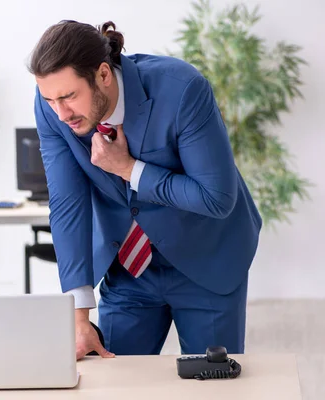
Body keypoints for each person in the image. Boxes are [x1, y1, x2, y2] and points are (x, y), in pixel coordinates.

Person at [28, 20, 262, 359]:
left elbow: (216, 197)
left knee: (213, 387)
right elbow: (68, 203)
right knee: (115, 382)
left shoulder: (182, 89)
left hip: (206, 259)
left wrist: (128, 169)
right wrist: (78, 313)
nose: (61, 113)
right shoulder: (52, 106)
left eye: (68, 96)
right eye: (50, 99)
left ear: (103, 74)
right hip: (129, 269)